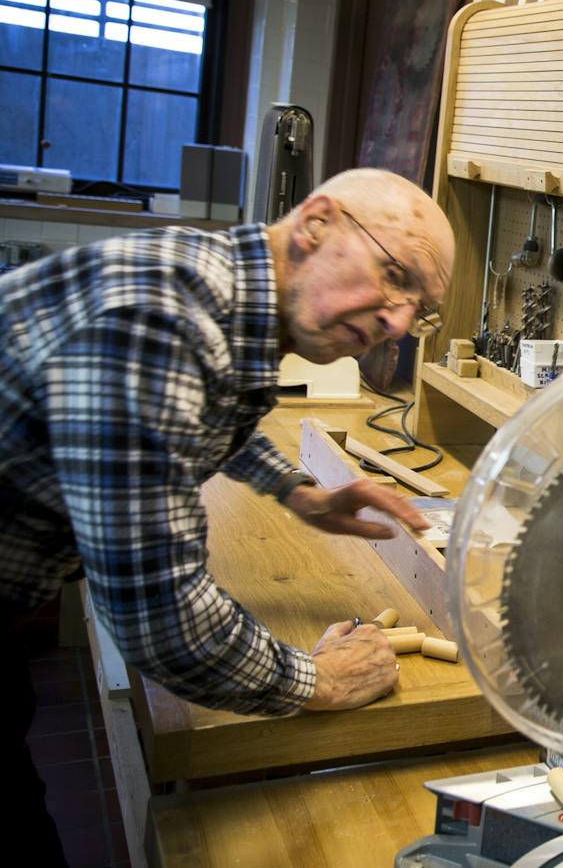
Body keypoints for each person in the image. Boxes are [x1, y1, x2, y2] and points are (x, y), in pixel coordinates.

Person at [0, 167, 457, 862]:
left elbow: (193, 411)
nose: (396, 320)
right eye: (395, 274)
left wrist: (301, 491)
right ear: (315, 225)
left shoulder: (220, 291)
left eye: (417, 306)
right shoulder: (162, 321)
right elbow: (159, 618)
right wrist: (320, 678)